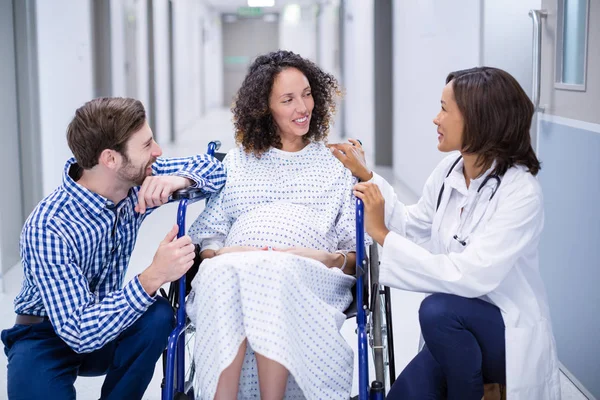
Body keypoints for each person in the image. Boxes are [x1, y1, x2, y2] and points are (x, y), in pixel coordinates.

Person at [330, 67, 561, 400]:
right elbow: (413, 225)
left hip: (506, 332)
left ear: (479, 118)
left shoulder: (520, 192)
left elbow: (468, 277)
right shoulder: (451, 170)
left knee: (438, 309)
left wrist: (380, 233)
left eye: (444, 109)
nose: (436, 119)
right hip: (454, 332)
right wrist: (367, 176)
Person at [1, 97, 226, 400]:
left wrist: (178, 179)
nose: (157, 151)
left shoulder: (135, 184)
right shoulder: (48, 227)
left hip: (110, 322)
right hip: (45, 334)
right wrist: (153, 276)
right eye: (147, 145)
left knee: (158, 316)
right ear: (110, 159)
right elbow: (79, 331)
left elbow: (215, 168)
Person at [186, 50, 363, 400]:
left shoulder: (335, 164)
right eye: (288, 99)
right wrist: (223, 253)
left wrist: (324, 258)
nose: (303, 107)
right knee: (220, 273)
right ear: (264, 108)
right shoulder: (237, 162)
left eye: (308, 94)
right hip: (234, 264)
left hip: (307, 269)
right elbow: (210, 235)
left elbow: (357, 252)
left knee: (271, 271)